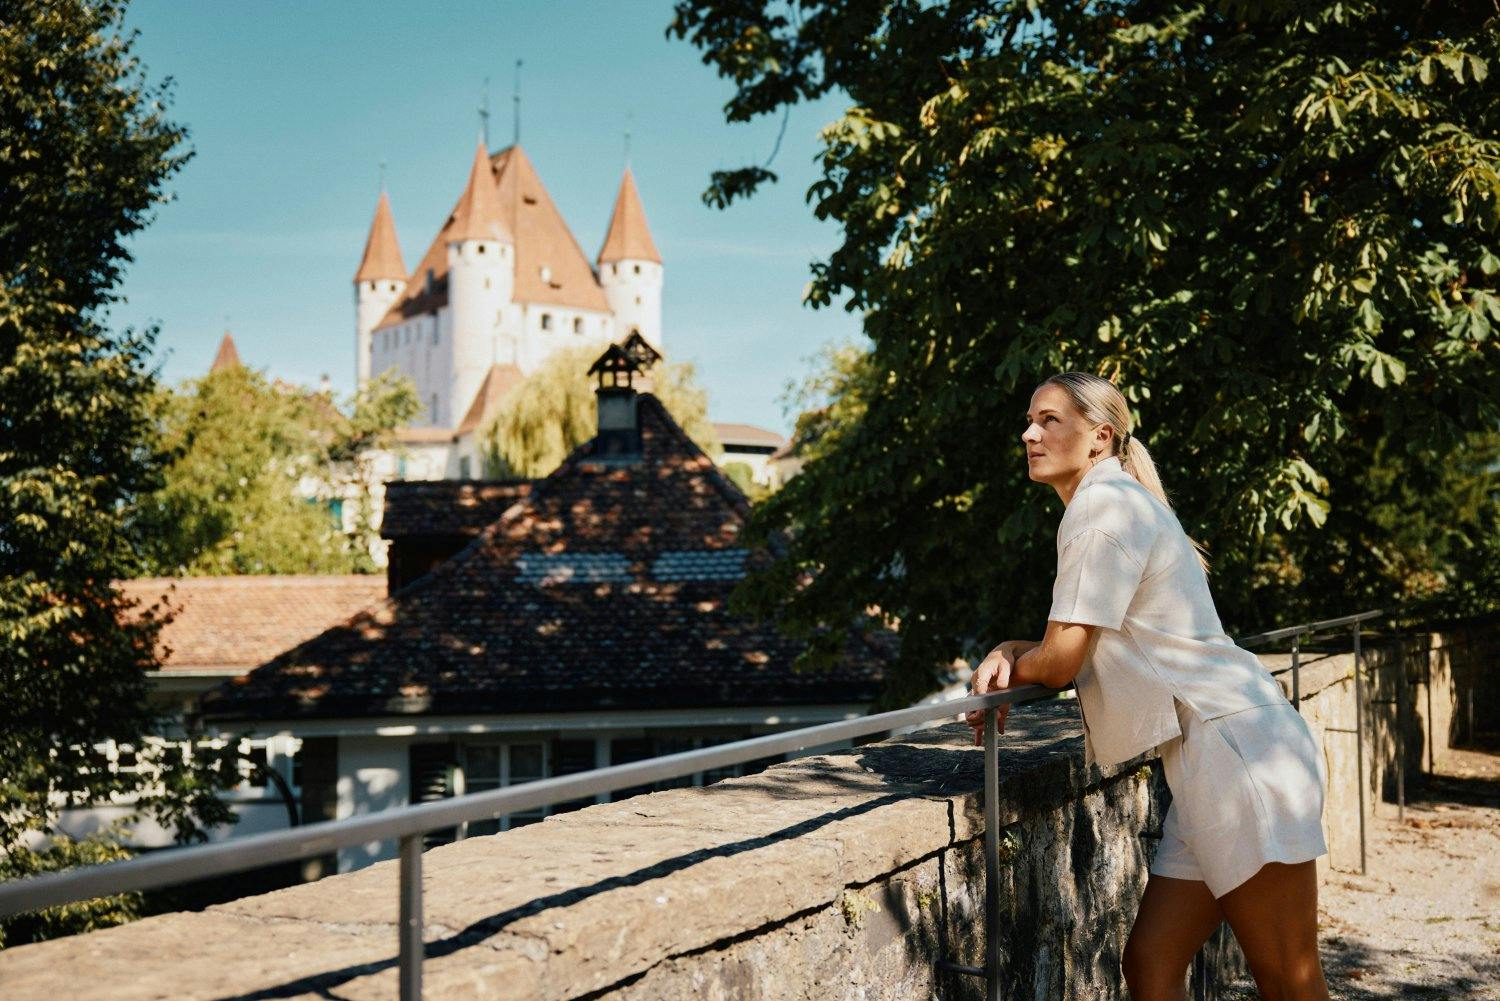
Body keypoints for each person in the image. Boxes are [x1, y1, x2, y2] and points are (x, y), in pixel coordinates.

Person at [964, 372, 1331, 1000]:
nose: (1029, 433)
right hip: (1215, 757)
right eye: (1029, 420)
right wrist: (1012, 650)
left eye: (1050, 420)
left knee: (1289, 980)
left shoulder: (1101, 509)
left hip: (1238, 758)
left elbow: (1058, 664)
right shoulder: (1114, 502)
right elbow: (1073, 648)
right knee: (1152, 965)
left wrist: (1012, 658)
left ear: (1099, 436)